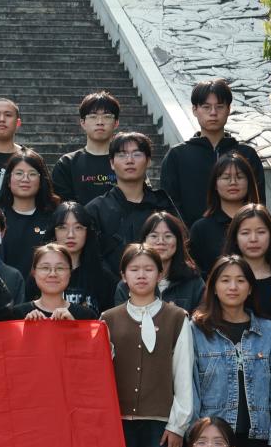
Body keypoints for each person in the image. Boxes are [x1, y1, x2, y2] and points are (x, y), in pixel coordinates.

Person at [102, 244, 194, 447]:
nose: (141, 275)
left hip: (161, 424)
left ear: (160, 274)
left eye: (148, 269)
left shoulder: (176, 317)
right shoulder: (108, 319)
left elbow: (183, 374)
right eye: (134, 269)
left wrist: (178, 425)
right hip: (120, 425)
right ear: (123, 276)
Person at [191, 255, 271, 447]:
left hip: (256, 439)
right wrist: (193, 435)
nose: (233, 287)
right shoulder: (197, 330)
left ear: (250, 288)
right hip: (212, 439)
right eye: (225, 280)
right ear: (214, 287)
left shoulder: (267, 331)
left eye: (240, 280)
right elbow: (189, 385)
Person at [161, 78, 268, 227]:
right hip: (192, 238)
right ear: (194, 110)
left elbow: (257, 201)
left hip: (241, 235)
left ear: (228, 109)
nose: (213, 113)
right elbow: (170, 205)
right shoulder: (177, 156)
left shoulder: (247, 155)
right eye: (206, 107)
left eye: (219, 106)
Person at [86, 131, 177, 276]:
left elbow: (180, 249)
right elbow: (91, 259)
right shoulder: (96, 209)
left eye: (137, 154)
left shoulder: (163, 205)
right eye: (122, 155)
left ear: (148, 161)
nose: (129, 160)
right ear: (112, 163)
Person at [187, 152, 263, 278]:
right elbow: (195, 276)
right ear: (215, 184)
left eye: (239, 177)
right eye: (226, 177)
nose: (233, 182)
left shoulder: (264, 224)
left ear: (249, 182)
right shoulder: (201, 229)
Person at [111, 212, 205, 312]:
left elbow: (202, 317)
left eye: (168, 236)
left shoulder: (193, 282)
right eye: (154, 236)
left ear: (178, 242)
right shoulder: (129, 283)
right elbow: (122, 320)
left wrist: (177, 317)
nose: (160, 241)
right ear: (144, 241)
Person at [223, 204, 271, 322]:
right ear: (235, 238)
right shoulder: (222, 281)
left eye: (261, 232)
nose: (253, 239)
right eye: (245, 233)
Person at [0, 149, 59, 282]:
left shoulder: (54, 217)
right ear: (8, 180)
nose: (25, 179)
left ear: (41, 181)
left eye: (32, 174)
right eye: (19, 173)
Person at [50, 91, 119, 205]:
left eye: (107, 116)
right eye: (93, 116)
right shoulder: (67, 163)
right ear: (83, 123)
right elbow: (63, 208)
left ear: (116, 123)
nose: (100, 122)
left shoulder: (126, 161)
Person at [49, 201, 116, 312]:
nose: (70, 235)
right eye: (63, 227)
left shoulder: (104, 278)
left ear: (87, 232)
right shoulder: (42, 274)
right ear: (54, 232)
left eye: (78, 228)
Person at [12, 243, 98, 321]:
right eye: (45, 268)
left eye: (60, 268)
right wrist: (25, 328)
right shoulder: (17, 315)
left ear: (70, 273)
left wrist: (73, 327)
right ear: (34, 272)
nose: (53, 274)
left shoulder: (86, 316)